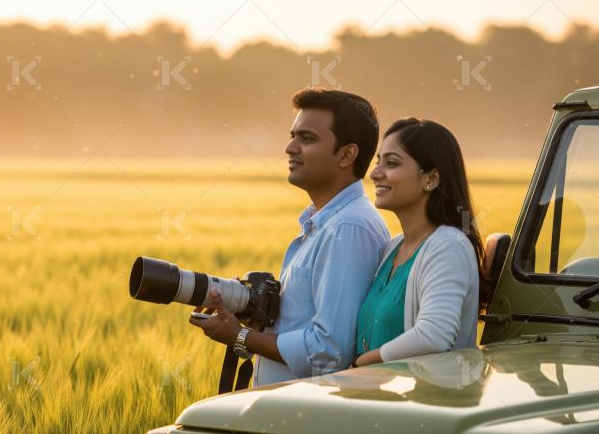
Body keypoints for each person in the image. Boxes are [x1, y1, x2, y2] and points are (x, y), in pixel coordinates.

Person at [189, 88, 390, 386]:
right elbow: (309, 328)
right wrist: (259, 321)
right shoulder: (324, 223)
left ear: (347, 154)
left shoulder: (347, 229)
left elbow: (328, 351)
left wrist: (241, 337)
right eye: (293, 135)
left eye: (307, 139)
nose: (289, 147)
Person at [351, 118, 485, 368]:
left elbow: (434, 336)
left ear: (431, 179)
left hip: (421, 403)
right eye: (378, 161)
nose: (375, 173)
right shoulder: (393, 247)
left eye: (391, 163)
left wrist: (360, 365)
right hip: (375, 399)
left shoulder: (448, 245)